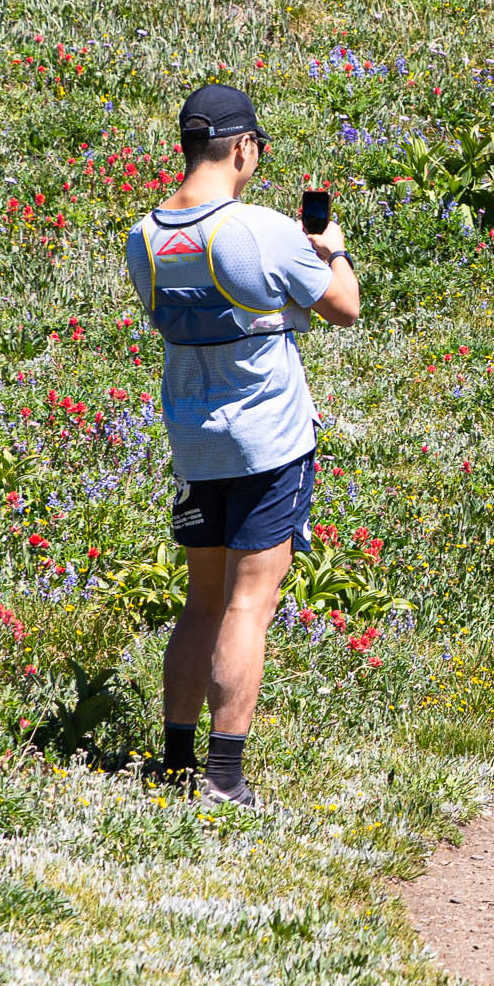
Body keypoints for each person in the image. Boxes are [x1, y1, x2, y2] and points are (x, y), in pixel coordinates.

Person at [125, 86, 361, 805]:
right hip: (268, 443)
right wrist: (332, 248)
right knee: (248, 606)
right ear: (243, 148)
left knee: (201, 603)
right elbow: (345, 307)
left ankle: (173, 763)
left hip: (195, 442)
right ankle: (226, 779)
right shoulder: (261, 230)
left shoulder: (145, 237)